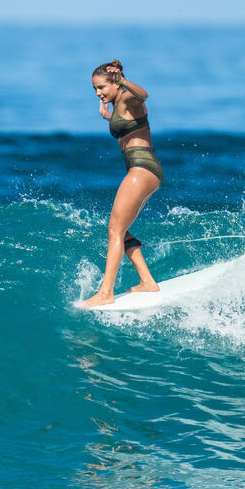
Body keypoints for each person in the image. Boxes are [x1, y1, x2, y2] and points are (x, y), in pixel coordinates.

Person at [82, 59, 164, 308]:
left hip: (141, 169)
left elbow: (144, 95)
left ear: (115, 83)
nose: (98, 93)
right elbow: (128, 127)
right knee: (121, 229)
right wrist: (109, 117)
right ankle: (147, 281)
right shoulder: (118, 105)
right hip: (144, 170)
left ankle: (106, 292)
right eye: (95, 89)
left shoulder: (128, 98)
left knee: (114, 230)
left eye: (102, 87)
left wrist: (123, 82)